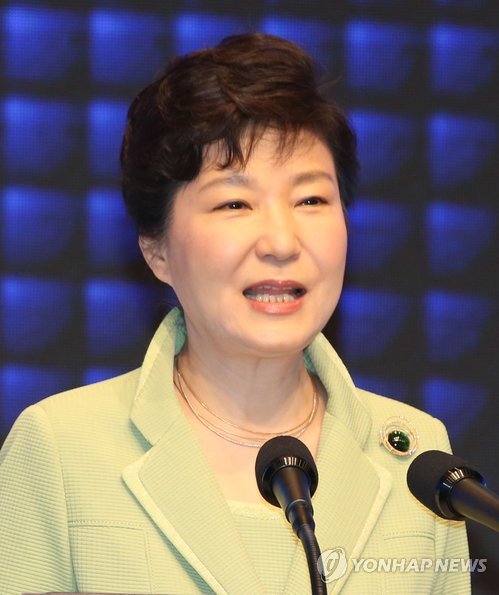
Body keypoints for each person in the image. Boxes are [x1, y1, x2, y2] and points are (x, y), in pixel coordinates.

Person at [0, 33, 469, 594]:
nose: (281, 242)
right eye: (234, 203)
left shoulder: (418, 460)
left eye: (311, 200)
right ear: (156, 249)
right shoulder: (61, 450)